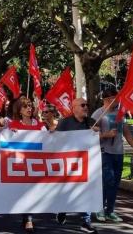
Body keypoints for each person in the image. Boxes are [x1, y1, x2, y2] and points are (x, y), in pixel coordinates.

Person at [91, 87, 133, 223]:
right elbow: (90, 134)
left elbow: (126, 132)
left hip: (119, 152)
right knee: (108, 181)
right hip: (104, 152)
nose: (118, 100)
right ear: (107, 99)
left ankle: (110, 211)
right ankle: (99, 208)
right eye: (115, 98)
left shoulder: (121, 113)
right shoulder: (98, 114)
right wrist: (106, 134)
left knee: (115, 183)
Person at [55, 98, 99, 233]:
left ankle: (86, 221)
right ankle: (62, 208)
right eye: (83, 105)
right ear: (73, 108)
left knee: (86, 190)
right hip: (68, 164)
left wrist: (97, 133)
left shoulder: (91, 122)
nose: (86, 107)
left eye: (87, 104)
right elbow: (54, 140)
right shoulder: (65, 123)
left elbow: (96, 141)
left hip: (86, 164)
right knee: (68, 191)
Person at [8, 97, 46, 232]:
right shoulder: (13, 125)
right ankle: (27, 217)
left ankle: (28, 219)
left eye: (30, 106)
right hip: (19, 164)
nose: (29, 109)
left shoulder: (40, 125)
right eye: (25, 107)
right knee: (24, 191)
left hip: (36, 163)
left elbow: (49, 141)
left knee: (30, 190)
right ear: (19, 110)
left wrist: (51, 133)